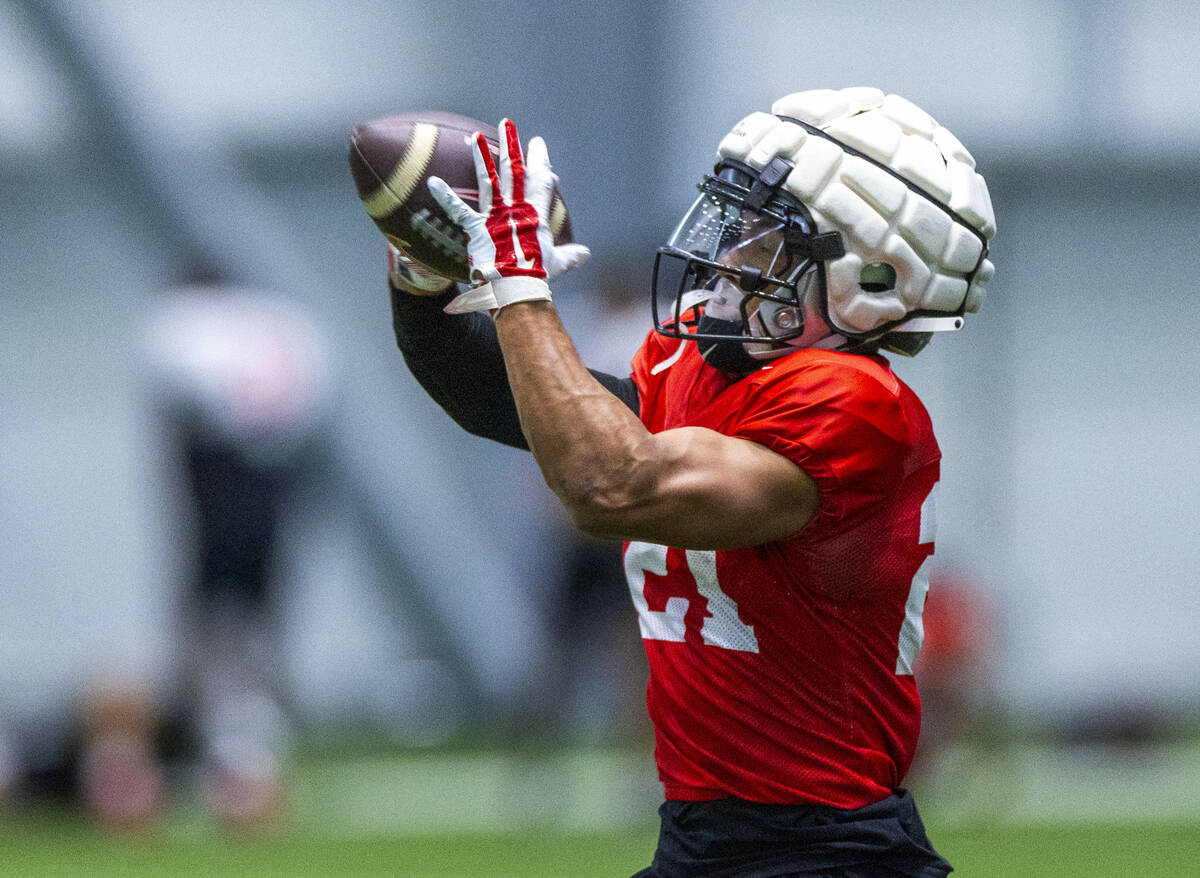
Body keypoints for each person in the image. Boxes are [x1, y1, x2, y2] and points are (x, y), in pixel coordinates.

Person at [379, 87, 995, 877]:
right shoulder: (696, 366)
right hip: (703, 842)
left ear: (866, 281)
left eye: (767, 238)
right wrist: (421, 276)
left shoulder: (856, 406)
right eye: (735, 222)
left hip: (828, 852)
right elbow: (487, 392)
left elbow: (609, 484)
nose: (732, 253)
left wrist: (519, 285)